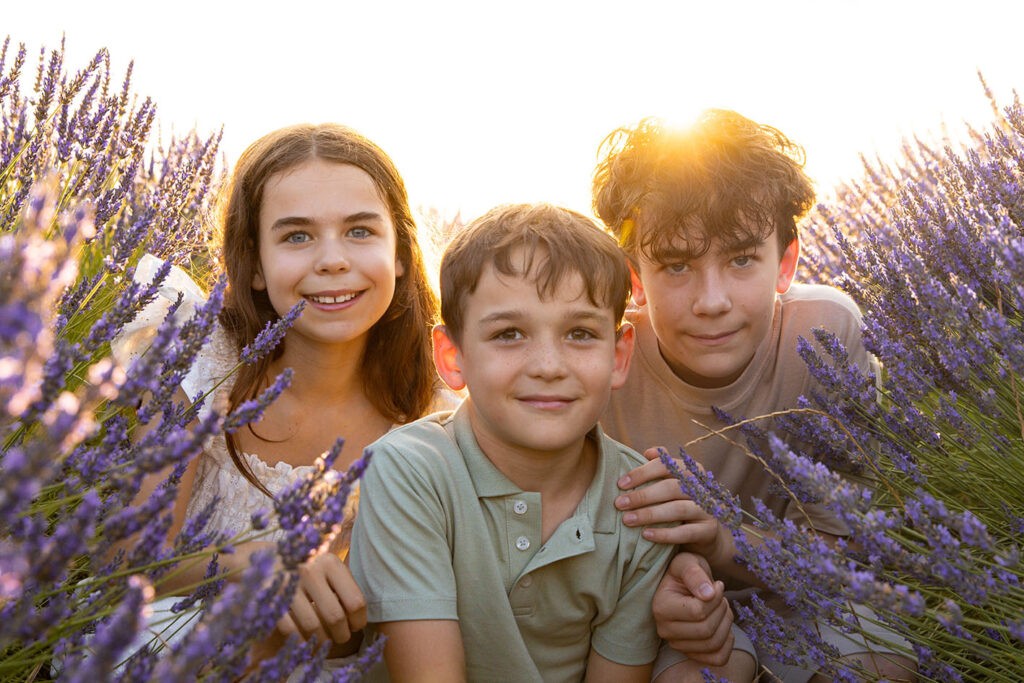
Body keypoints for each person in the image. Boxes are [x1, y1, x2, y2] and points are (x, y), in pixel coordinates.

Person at [591, 110, 917, 682]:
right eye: (676, 265)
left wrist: (720, 537)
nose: (712, 301)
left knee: (875, 667)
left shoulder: (824, 336)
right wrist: (659, 586)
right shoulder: (604, 364)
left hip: (808, 594)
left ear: (784, 263)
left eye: (741, 259)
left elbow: (832, 550)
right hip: (668, 607)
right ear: (635, 279)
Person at [113, 123, 454, 662]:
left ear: (401, 255)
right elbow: (129, 560)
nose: (332, 260)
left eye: (360, 231)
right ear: (254, 265)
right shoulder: (203, 363)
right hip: (176, 638)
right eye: (297, 236)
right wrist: (255, 565)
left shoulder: (431, 413)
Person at [350, 203, 676, 682]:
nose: (548, 365)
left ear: (619, 355)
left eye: (580, 333)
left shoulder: (640, 505)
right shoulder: (409, 471)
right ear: (452, 357)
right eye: (509, 334)